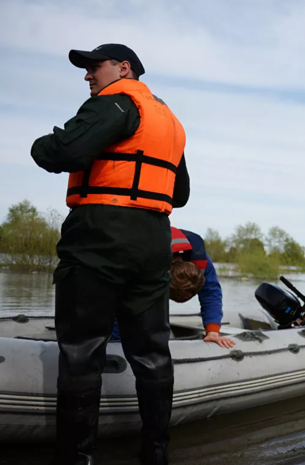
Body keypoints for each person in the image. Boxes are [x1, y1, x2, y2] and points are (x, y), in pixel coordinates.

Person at [30, 44, 188, 465]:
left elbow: (64, 152)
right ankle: (155, 454)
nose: (87, 76)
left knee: (82, 349)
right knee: (152, 351)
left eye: (92, 67)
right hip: (153, 239)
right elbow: (181, 193)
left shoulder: (114, 103)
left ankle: (77, 459)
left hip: (101, 234)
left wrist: (41, 144)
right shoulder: (169, 120)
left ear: (123, 69)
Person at [111, 227, 236, 349]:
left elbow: (211, 292)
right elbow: (121, 300)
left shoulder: (199, 257)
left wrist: (212, 331)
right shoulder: (142, 260)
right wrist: (116, 343)